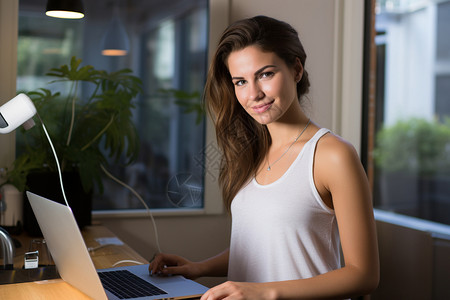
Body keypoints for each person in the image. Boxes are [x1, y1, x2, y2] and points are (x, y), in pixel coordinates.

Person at [149, 15, 379, 299]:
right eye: (240, 81)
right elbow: (266, 244)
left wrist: (264, 292)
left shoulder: (332, 155)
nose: (253, 94)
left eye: (266, 74)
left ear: (296, 69)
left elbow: (364, 274)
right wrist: (199, 268)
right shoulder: (251, 152)